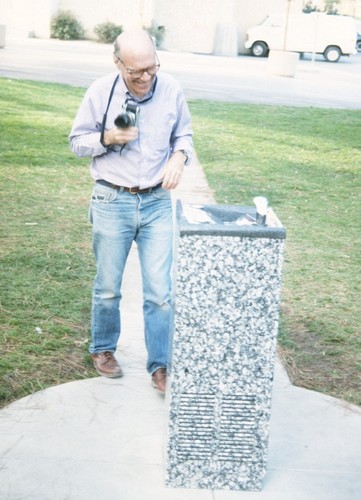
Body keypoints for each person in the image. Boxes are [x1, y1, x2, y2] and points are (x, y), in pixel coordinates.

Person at [69, 29, 193, 394]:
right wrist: (107, 138)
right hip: (112, 200)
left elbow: (184, 135)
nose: (145, 78)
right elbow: (76, 142)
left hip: (156, 203)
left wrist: (179, 158)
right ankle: (103, 348)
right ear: (118, 63)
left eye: (151, 68)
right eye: (135, 71)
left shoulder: (170, 89)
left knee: (160, 291)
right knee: (108, 287)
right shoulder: (100, 92)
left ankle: (161, 366)